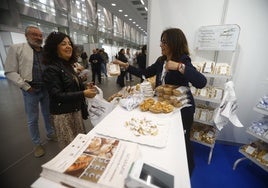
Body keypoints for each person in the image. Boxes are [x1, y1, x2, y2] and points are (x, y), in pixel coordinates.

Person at [113, 28, 207, 176]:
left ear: (174, 43)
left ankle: (186, 171)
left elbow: (201, 82)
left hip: (182, 110)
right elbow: (144, 73)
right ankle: (169, 168)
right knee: (166, 141)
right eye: (161, 41)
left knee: (182, 141)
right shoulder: (161, 61)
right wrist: (124, 65)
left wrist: (179, 67)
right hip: (166, 108)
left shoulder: (183, 60)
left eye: (164, 42)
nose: (161, 45)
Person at [4, 25, 56, 158]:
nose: (38, 37)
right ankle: (37, 144)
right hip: (30, 90)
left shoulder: (45, 52)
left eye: (40, 35)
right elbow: (10, 71)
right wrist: (25, 86)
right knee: (32, 118)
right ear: (26, 36)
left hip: (46, 88)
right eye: (34, 34)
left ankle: (50, 134)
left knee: (48, 113)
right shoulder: (17, 48)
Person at [42, 31, 97, 149]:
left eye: (69, 43)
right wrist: (83, 93)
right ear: (54, 48)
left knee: (80, 146)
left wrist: (85, 86)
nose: (68, 46)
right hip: (63, 116)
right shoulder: (51, 69)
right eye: (63, 44)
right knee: (71, 150)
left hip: (75, 111)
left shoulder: (67, 65)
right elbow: (57, 95)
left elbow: (71, 85)